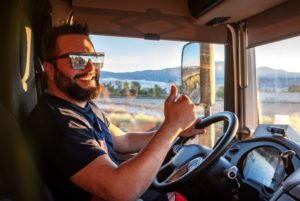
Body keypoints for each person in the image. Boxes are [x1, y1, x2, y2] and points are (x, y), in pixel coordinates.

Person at [26, 23, 205, 201]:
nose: (90, 68)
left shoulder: (84, 107)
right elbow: (120, 190)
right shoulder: (57, 123)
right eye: (77, 59)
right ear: (50, 69)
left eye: (94, 59)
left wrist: (177, 131)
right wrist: (171, 127)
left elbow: (124, 140)